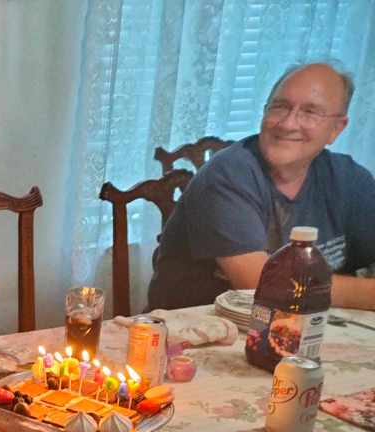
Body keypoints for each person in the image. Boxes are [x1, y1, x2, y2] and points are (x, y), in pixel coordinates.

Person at [148, 62, 375, 311]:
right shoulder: (227, 174)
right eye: (280, 107)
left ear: (336, 129)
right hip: (197, 329)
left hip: (307, 324)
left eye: (310, 112)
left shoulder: (348, 177)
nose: (288, 124)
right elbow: (263, 286)